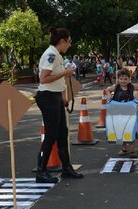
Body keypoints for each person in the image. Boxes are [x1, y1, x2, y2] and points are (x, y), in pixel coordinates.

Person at [35, 27, 83, 183]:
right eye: (69, 42)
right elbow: (43, 78)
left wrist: (63, 96)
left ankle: (66, 168)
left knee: (62, 132)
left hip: (54, 96)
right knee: (51, 134)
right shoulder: (51, 55)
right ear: (62, 41)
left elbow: (57, 80)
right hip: (47, 97)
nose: (69, 45)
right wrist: (66, 73)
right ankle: (41, 170)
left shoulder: (57, 55)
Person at [104, 68, 138, 158]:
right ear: (118, 79)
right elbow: (107, 90)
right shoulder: (116, 87)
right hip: (118, 114)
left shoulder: (131, 86)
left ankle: (132, 150)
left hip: (130, 114)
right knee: (120, 131)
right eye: (121, 79)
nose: (123, 81)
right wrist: (109, 96)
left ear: (130, 79)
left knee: (131, 131)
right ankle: (124, 149)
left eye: (126, 79)